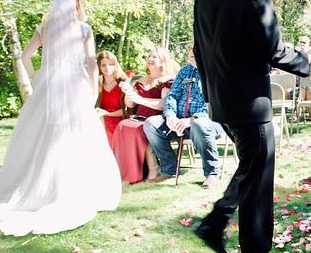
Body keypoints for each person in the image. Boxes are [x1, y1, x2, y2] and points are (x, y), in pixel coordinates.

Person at [193, 0, 311, 253]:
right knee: (258, 178)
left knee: (250, 167)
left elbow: (199, 52)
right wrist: (307, 60)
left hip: (222, 104)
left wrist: (211, 95)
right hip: (251, 104)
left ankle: (216, 222)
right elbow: (272, 49)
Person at [0, 0, 121, 235]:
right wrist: (92, 89)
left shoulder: (45, 27)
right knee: (77, 137)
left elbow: (26, 56)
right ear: (76, 1)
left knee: (44, 138)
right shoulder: (83, 29)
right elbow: (91, 62)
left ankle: (41, 188)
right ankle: (72, 189)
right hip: (75, 88)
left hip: (48, 89)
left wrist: (37, 76)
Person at [143, 47, 224, 188]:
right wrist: (170, 116)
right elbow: (172, 95)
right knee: (151, 123)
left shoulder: (216, 72)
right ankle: (170, 170)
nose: (191, 58)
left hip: (208, 121)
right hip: (179, 121)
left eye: (194, 56)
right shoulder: (185, 71)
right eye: (190, 55)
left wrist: (191, 120)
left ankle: (212, 173)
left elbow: (215, 103)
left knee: (199, 124)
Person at [112, 47, 178, 183]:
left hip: (158, 119)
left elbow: (164, 104)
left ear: (163, 61)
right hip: (139, 117)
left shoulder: (168, 80)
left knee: (138, 129)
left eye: (154, 57)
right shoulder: (141, 80)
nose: (150, 59)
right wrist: (128, 92)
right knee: (122, 126)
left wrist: (140, 99)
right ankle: (124, 171)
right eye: (149, 56)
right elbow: (131, 105)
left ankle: (152, 169)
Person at [96, 50, 127, 146]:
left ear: (115, 65)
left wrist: (108, 114)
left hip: (118, 120)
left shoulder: (122, 83)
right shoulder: (97, 84)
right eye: (103, 65)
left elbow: (126, 110)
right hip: (100, 119)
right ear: (99, 67)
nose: (107, 68)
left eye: (110, 64)